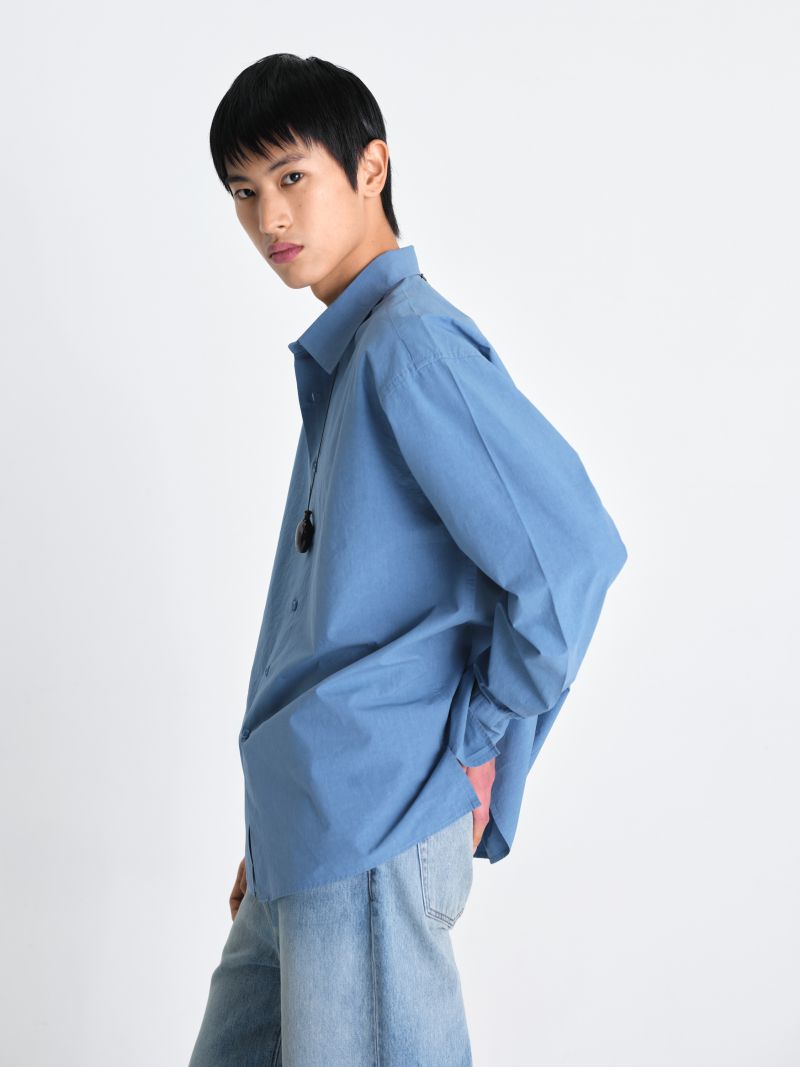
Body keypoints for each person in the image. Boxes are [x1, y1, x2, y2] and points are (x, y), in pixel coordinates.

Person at [188, 52, 628, 1067]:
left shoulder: (410, 347)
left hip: (374, 822)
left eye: (291, 176)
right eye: (243, 193)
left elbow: (568, 555)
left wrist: (477, 742)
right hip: (303, 829)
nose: (267, 218)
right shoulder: (351, 356)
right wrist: (271, 833)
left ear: (370, 169)